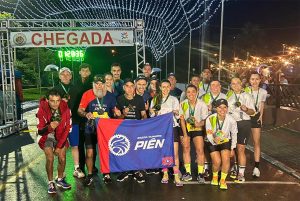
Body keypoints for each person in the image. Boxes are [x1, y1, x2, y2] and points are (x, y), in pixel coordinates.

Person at [78, 75, 116, 186]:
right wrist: (86, 114)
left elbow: (114, 112)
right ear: (93, 85)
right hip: (90, 128)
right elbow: (79, 110)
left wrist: (117, 113)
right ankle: (89, 175)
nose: (99, 86)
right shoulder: (87, 94)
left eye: (101, 83)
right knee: (89, 152)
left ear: (105, 84)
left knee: (105, 152)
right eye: (97, 84)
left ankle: (106, 173)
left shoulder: (110, 96)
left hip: (105, 129)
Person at [36, 89, 71, 194]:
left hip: (61, 135)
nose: (55, 103)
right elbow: (40, 131)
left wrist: (59, 146)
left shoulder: (66, 109)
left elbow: (67, 128)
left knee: (62, 157)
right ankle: (50, 182)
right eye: (52, 101)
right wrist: (50, 127)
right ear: (47, 100)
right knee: (50, 158)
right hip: (46, 135)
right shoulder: (41, 110)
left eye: (58, 100)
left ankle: (60, 179)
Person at [149, 80, 183, 186]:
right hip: (161, 128)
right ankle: (165, 173)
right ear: (160, 87)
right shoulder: (155, 99)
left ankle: (176, 176)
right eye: (163, 87)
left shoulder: (174, 99)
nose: (165, 89)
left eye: (167, 87)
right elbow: (152, 115)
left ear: (170, 87)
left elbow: (178, 116)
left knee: (175, 153)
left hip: (172, 128)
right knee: (164, 152)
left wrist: (175, 112)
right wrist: (152, 111)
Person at [54, 67, 85, 179]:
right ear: (59, 76)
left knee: (75, 145)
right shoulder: (55, 89)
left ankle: (76, 168)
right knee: (61, 146)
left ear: (71, 76)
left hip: (74, 121)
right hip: (61, 122)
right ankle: (61, 171)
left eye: (68, 74)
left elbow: (82, 104)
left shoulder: (76, 88)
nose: (66, 76)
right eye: (63, 74)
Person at [114, 78, 147, 183]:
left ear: (134, 87)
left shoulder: (139, 99)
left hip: (136, 128)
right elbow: (118, 118)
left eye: (131, 86)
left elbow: (143, 114)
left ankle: (137, 171)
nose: (129, 88)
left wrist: (144, 121)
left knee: (136, 150)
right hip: (123, 129)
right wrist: (122, 113)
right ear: (124, 88)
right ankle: (125, 170)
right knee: (125, 150)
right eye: (127, 86)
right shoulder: (119, 99)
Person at [227, 77, 255, 183]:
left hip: (243, 123)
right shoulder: (228, 96)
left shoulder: (247, 96)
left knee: (241, 149)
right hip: (231, 124)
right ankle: (234, 167)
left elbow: (252, 112)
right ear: (230, 85)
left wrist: (246, 109)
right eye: (233, 84)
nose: (235, 85)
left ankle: (241, 174)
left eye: (237, 83)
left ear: (241, 84)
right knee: (232, 148)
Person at [205, 99, 237, 190]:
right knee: (217, 162)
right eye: (220, 107)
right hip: (212, 141)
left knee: (226, 159)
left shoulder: (231, 120)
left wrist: (232, 148)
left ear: (227, 108)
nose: (222, 110)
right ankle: (215, 176)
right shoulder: (210, 119)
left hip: (225, 141)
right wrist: (214, 140)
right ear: (216, 108)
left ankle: (223, 180)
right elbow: (209, 133)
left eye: (224, 107)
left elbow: (234, 134)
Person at [179, 84, 208, 183]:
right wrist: (185, 134)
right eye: (188, 92)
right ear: (186, 93)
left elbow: (205, 120)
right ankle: (188, 173)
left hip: (197, 128)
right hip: (186, 129)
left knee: (200, 150)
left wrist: (198, 123)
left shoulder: (202, 104)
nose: (191, 94)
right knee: (186, 149)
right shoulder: (183, 104)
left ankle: (200, 173)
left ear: (197, 93)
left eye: (193, 91)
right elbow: (182, 120)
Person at [245, 72, 268, 178]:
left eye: (256, 79)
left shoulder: (263, 91)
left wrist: (261, 116)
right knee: (241, 143)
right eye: (252, 79)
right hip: (245, 117)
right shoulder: (245, 90)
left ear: (260, 80)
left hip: (256, 117)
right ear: (249, 80)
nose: (254, 81)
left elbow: (262, 104)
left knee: (256, 142)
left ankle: (256, 167)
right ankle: (237, 166)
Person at [75, 63, 93, 175]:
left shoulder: (92, 84)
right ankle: (80, 166)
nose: (85, 72)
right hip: (78, 117)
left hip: (90, 116)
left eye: (87, 71)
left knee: (91, 144)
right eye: (83, 70)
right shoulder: (75, 84)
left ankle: (92, 167)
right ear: (79, 72)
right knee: (80, 143)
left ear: (90, 72)